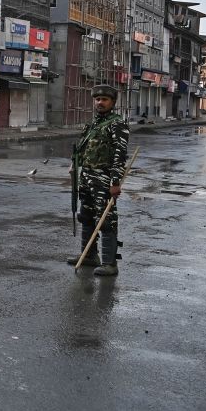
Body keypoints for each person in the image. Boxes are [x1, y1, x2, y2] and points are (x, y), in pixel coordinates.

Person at [68, 85, 129, 276]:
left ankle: (109, 263)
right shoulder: (92, 124)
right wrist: (75, 165)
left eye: (104, 99)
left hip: (104, 178)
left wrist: (115, 182)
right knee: (86, 216)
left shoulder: (117, 124)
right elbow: (83, 149)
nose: (100, 102)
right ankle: (89, 256)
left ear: (112, 103)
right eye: (97, 99)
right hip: (87, 177)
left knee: (106, 219)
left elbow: (120, 154)